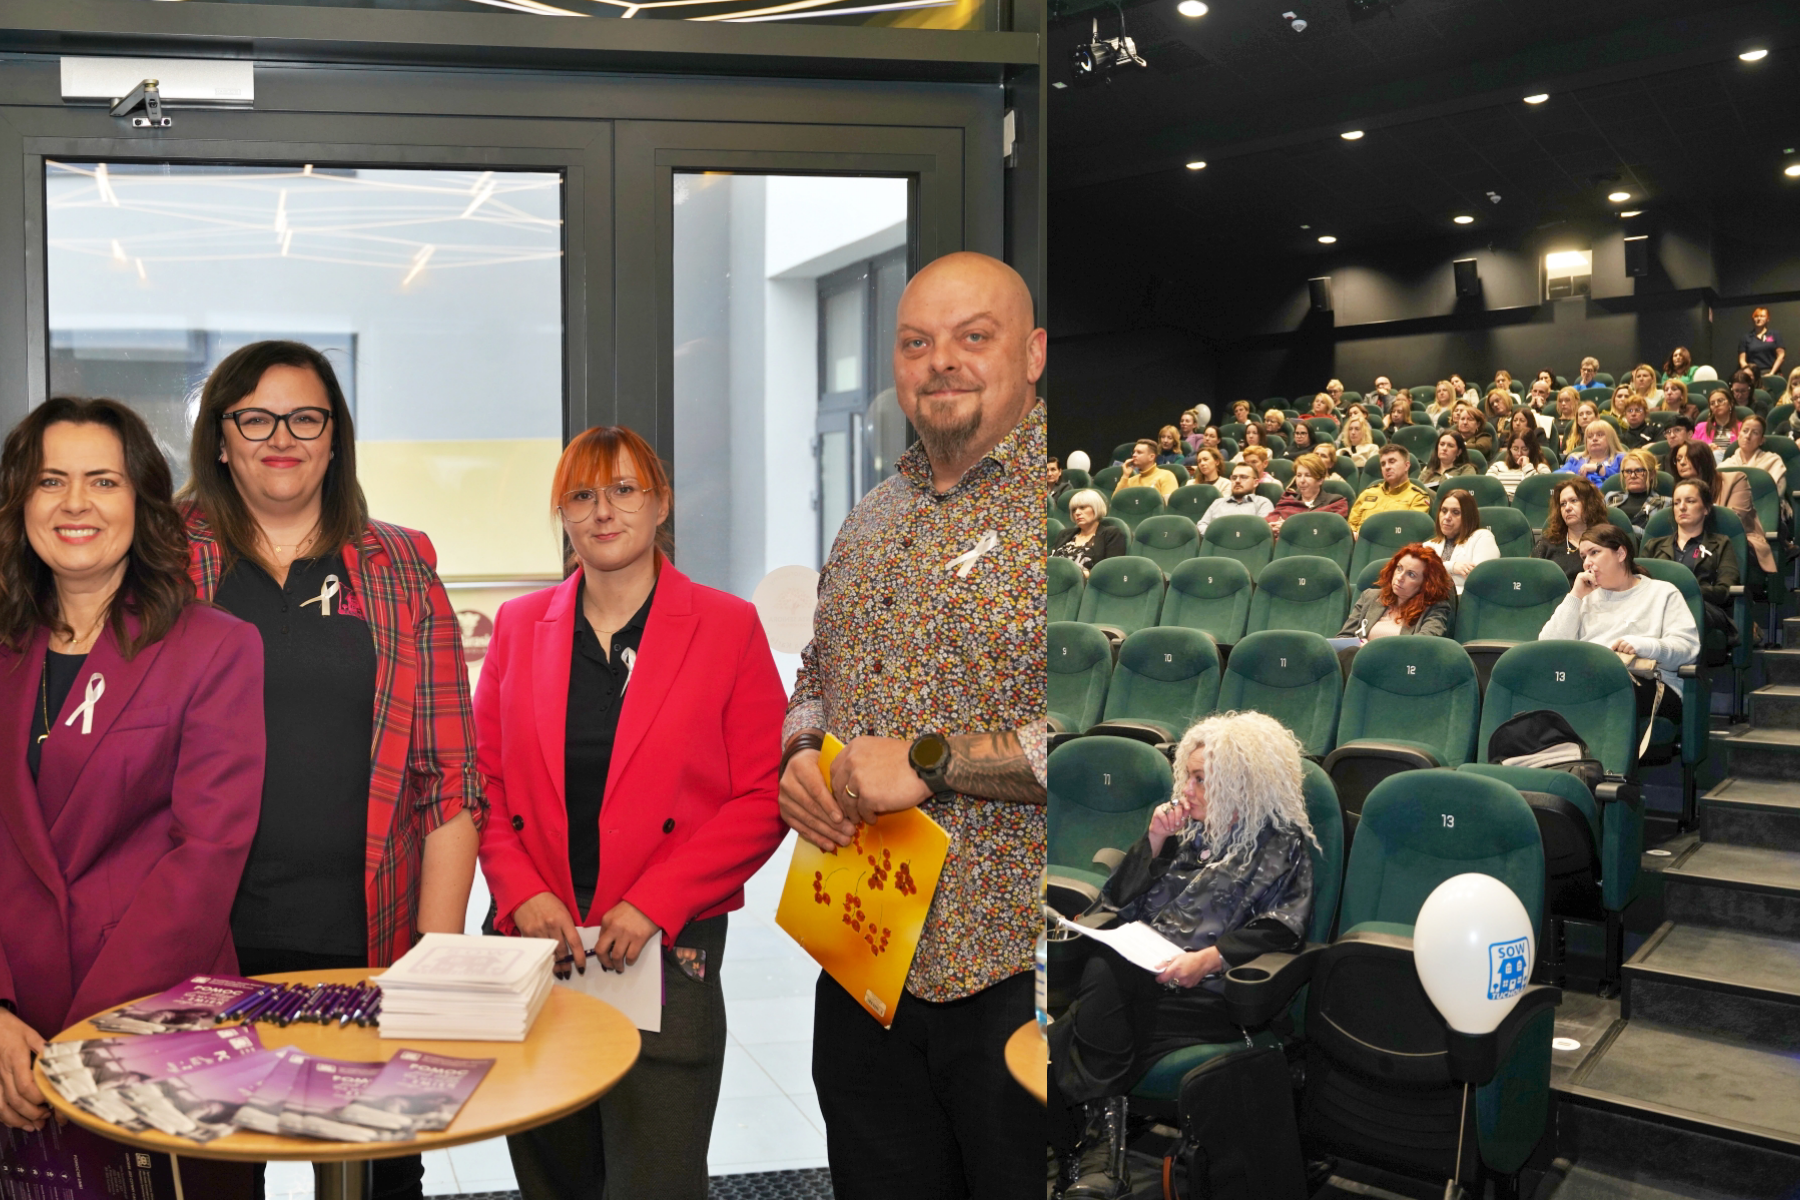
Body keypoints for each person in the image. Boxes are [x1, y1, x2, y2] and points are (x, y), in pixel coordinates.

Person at [182, 341, 484, 1200]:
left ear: (334, 437)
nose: (282, 437)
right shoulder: (165, 561)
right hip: (208, 951)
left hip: (371, 948)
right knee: (210, 1182)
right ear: (223, 438)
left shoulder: (399, 566)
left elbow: (449, 777)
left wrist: (431, 965)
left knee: (373, 1186)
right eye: (256, 418)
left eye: (306, 417)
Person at [778, 251, 1044, 1199]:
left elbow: (1114, 742)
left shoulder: (1075, 520)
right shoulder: (868, 519)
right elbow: (817, 671)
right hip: (863, 951)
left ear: (1034, 352)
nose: (944, 362)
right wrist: (801, 750)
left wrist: (933, 761)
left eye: (975, 337)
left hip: (1012, 966)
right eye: (918, 342)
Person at [474, 424, 787, 1200]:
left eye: (624, 490)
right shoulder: (519, 626)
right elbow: (483, 784)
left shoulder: (726, 626)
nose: (603, 511)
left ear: (661, 505)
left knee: (657, 1181)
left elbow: (762, 794)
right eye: (582, 495)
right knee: (553, 1178)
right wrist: (522, 894)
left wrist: (655, 902)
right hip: (536, 951)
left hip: (662, 953)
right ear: (564, 514)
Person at [0, 398, 264, 1133]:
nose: (75, 503)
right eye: (50, 481)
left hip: (158, 1024)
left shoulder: (214, 646)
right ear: (21, 502)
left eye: (103, 481)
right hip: (11, 1041)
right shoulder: (5, 647)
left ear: (143, 502)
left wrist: (89, 1033)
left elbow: (206, 857)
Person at [1048, 712, 1316, 1200]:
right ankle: (1096, 1156)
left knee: (1061, 1035)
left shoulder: (1279, 844)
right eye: (1186, 776)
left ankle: (1090, 1152)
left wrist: (1210, 958)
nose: (1185, 789)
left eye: (1199, 779)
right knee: (1106, 966)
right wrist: (1153, 842)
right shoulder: (1184, 833)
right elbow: (1114, 904)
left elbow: (1283, 929)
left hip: (1208, 993)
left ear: (1239, 782)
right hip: (1147, 975)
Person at [1540, 525, 1698, 723]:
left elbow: (1688, 650)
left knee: (1599, 690)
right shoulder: (1586, 598)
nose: (1587, 563)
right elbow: (1547, 648)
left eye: (1594, 552)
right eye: (1583, 557)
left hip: (1650, 684)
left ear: (1621, 553)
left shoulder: (1663, 593)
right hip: (1591, 682)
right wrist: (1575, 596)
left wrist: (1646, 646)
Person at [1642, 480, 1741, 648]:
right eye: (1677, 502)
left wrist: (1685, 593)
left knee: (1686, 609)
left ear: (1706, 508)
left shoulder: (1721, 544)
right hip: (1658, 609)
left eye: (1690, 501)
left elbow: (1724, 590)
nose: (1682, 507)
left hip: (1704, 608)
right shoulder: (1654, 546)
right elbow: (1639, 584)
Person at [1672, 441, 1777, 574]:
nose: (1681, 463)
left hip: (1735, 539)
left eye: (1687, 457)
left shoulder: (1735, 480)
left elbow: (1733, 520)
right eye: (1678, 459)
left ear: (1702, 458)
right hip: (1692, 540)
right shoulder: (1678, 489)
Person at [1337, 544, 1457, 640]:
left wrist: (1372, 650)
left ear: (1426, 584)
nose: (1400, 577)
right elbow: (1343, 638)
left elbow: (1423, 645)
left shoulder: (1435, 608)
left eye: (1411, 574)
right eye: (1399, 568)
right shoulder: (1370, 597)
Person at [1532, 476, 1609, 583]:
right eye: (1563, 504)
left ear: (1590, 504)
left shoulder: (1608, 541)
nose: (1567, 508)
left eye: (1574, 500)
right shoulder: (1546, 544)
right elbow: (1533, 583)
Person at [1423, 489, 1498, 593]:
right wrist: (1453, 567)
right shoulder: (1428, 545)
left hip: (1467, 601)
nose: (1447, 517)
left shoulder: (1482, 537)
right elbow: (1418, 572)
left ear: (1468, 517)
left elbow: (1479, 577)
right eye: (1444, 511)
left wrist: (1434, 567)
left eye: (1455, 512)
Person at [1346, 444, 1432, 534]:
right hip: (1363, 545)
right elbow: (1351, 525)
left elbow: (1411, 531)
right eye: (1383, 464)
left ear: (1406, 466)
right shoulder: (1368, 493)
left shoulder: (1418, 497)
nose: (1387, 467)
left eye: (1392, 461)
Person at [1721, 414, 1789, 517]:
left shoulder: (1773, 461)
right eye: (1745, 431)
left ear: (1762, 440)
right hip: (1732, 515)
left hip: (1766, 514)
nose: (1748, 436)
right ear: (1738, 434)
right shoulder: (1725, 466)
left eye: (1755, 433)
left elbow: (1775, 496)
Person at [1267, 453, 1348, 534]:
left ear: (1320, 480)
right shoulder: (1287, 500)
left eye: (1308, 475)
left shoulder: (1336, 502)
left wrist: (1289, 527)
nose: (1302, 480)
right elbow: (1269, 522)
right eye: (1298, 475)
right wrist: (1272, 527)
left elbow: (1328, 529)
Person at [1053, 489, 1128, 574]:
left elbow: (1111, 570)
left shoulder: (1111, 534)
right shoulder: (1064, 534)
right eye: (1074, 510)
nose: (1077, 513)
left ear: (1096, 508)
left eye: (1082, 507)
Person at [1197, 463, 1274, 533]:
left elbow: (1263, 530)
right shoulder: (1218, 503)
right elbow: (1202, 525)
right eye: (1234, 477)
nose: (1237, 481)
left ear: (1255, 482)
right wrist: (1216, 536)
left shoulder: (1263, 503)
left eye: (1243, 477)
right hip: (1218, 545)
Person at [1606, 449, 1671, 530]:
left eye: (1639, 470)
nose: (1633, 475)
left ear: (1652, 474)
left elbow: (1655, 536)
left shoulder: (1665, 503)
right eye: (1628, 471)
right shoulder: (1610, 497)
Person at [1488, 430, 1554, 496]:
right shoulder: (1497, 466)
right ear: (1510, 449)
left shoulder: (1541, 468)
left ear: (1532, 450)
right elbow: (1487, 489)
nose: (1519, 453)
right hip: (1500, 504)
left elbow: (1544, 491)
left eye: (1525, 449)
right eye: (1515, 449)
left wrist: (1527, 467)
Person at [1564, 418, 1625, 484]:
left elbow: (1627, 478)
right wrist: (1567, 474)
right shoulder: (1576, 459)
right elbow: (1556, 475)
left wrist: (1599, 468)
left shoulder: (1621, 459)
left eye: (1600, 435)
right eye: (1590, 436)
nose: (1594, 439)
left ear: (1611, 438)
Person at [1114, 439, 1180, 500]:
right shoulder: (1131, 480)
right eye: (1134, 452)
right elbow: (1116, 502)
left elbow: (1168, 504)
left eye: (1139, 452)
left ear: (1151, 457)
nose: (1134, 455)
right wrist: (1125, 475)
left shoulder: (1166, 476)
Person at [1739, 306, 1785, 378]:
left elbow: (1781, 355)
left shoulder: (1775, 334)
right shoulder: (1746, 338)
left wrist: (1772, 373)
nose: (1759, 319)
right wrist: (1750, 374)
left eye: (1762, 316)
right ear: (1753, 319)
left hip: (1773, 373)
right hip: (1754, 375)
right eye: (1756, 316)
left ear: (1768, 319)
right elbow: (1742, 360)